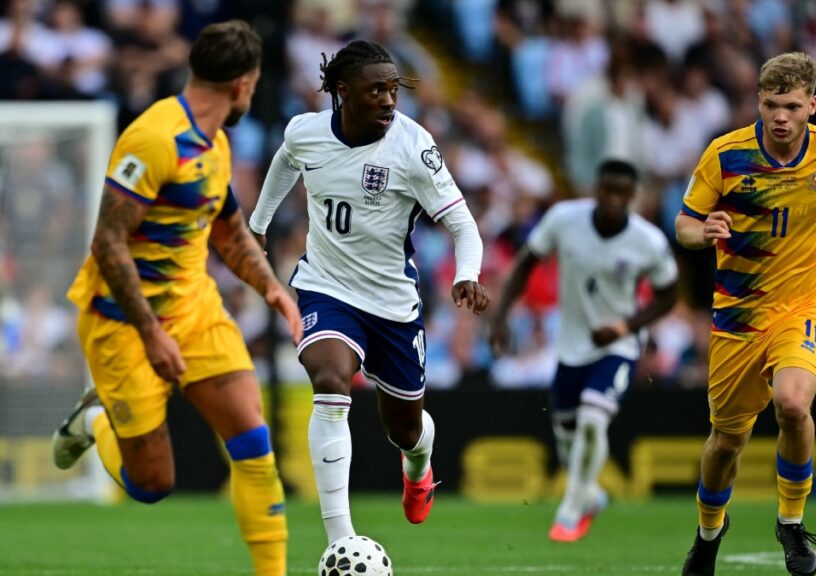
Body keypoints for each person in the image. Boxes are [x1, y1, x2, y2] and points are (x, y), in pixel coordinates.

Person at [51, 20, 301, 576]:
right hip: (123, 320)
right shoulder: (155, 139)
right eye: (254, 85)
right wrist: (151, 333)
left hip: (194, 308)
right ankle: (92, 423)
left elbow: (231, 234)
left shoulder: (216, 145)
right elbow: (108, 242)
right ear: (243, 85)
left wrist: (275, 294)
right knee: (152, 484)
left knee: (254, 442)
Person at [673, 52, 816, 576]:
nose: (781, 116)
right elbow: (684, 224)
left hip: (806, 305)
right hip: (737, 315)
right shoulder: (725, 154)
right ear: (759, 102)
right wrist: (703, 231)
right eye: (771, 104)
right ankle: (709, 533)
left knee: (794, 404)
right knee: (725, 443)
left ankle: (791, 522)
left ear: (812, 106)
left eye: (792, 106)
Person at [248, 40, 489, 544]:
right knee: (330, 381)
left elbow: (464, 225)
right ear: (342, 92)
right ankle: (341, 539)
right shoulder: (305, 131)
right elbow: (285, 162)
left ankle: (418, 464)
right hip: (325, 286)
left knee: (405, 429)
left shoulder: (413, 147)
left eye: (394, 89)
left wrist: (467, 272)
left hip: (392, 305)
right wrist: (258, 224)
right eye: (376, 89)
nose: (388, 100)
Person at [490, 159, 680, 542]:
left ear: (631, 197)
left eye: (620, 194)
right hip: (571, 348)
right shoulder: (563, 219)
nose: (611, 200)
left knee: (594, 419)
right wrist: (500, 316)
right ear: (596, 190)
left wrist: (627, 327)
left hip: (617, 347)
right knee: (568, 441)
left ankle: (570, 510)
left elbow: (669, 295)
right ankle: (590, 495)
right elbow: (526, 263)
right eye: (605, 191)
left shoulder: (648, 241)